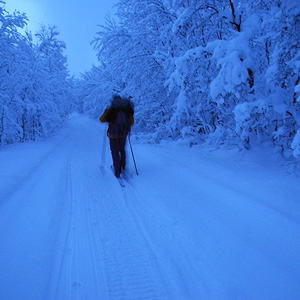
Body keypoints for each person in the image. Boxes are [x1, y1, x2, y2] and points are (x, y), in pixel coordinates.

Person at [100, 95, 134, 178]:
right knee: (122, 150)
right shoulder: (126, 110)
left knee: (114, 152)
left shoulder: (111, 109)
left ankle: (117, 171)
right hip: (123, 134)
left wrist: (106, 111)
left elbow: (102, 120)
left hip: (113, 135)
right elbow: (132, 122)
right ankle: (123, 167)